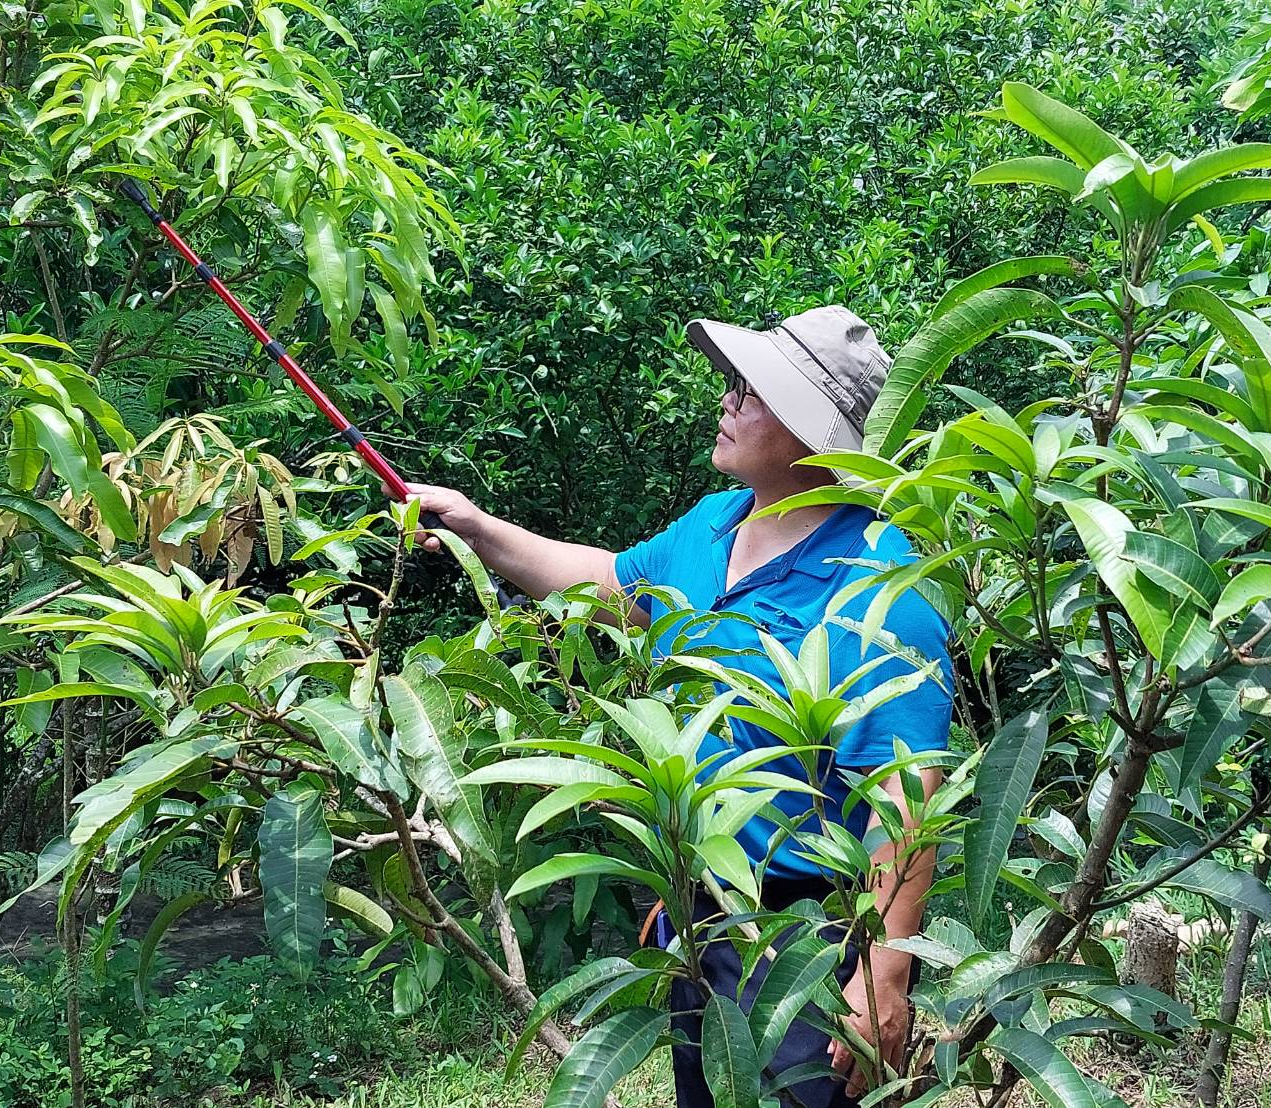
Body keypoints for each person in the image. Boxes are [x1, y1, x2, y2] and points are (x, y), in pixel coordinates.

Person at [407, 305, 953, 1107]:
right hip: (703, 908)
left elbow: (904, 794)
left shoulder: (879, 586)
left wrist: (882, 972)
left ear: (809, 429)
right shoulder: (713, 525)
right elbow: (613, 587)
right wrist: (480, 528)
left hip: (811, 932)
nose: (724, 402)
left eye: (747, 390)